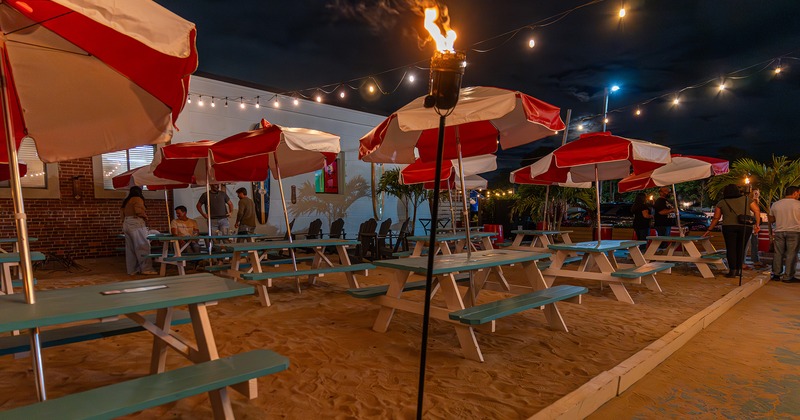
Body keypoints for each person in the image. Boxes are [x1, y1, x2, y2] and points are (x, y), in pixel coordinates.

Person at [703, 184, 761, 278]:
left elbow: (716, 218)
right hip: (745, 227)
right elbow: (757, 210)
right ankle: (739, 270)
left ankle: (732, 271)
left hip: (728, 227)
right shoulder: (746, 199)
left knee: (731, 249)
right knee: (741, 248)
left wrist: (709, 229)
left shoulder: (722, 202)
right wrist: (757, 225)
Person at [120, 186, 156, 275]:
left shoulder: (126, 201)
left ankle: (132, 270)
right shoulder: (137, 198)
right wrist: (145, 217)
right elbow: (138, 211)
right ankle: (146, 269)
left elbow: (122, 214)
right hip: (136, 223)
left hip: (126, 223)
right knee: (142, 246)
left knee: (130, 249)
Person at [769, 186, 800, 283]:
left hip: (779, 231)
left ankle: (776, 274)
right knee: (791, 254)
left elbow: (771, 219)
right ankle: (788, 276)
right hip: (795, 231)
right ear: (795, 193)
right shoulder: (798, 204)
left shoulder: (776, 204)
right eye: (799, 193)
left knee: (778, 253)